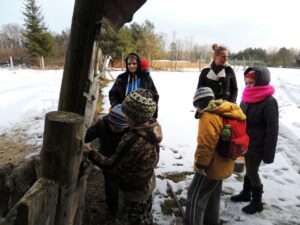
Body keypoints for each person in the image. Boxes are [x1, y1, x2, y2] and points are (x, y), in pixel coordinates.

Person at [83, 88, 162, 225]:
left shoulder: (133, 140)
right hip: (147, 181)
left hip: (135, 188)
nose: (124, 117)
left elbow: (112, 165)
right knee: (145, 213)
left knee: (136, 219)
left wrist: (90, 153)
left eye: (127, 114)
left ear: (137, 117)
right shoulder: (152, 128)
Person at [185, 87, 246, 225]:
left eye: (197, 107)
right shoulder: (225, 109)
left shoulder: (208, 116)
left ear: (200, 104)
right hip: (225, 162)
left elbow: (206, 144)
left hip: (211, 166)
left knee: (195, 198)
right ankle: (211, 221)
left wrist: (201, 165)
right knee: (213, 195)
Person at [230, 66, 279, 214]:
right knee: (249, 168)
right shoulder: (246, 97)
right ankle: (246, 193)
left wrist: (268, 153)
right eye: (246, 83)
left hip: (258, 144)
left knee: (252, 172)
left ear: (260, 82)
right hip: (245, 141)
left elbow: (272, 129)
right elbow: (240, 116)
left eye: (251, 83)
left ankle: (257, 202)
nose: (248, 86)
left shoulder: (269, 102)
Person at [84, 104, 129, 219]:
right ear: (109, 120)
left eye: (119, 128)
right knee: (110, 187)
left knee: (126, 186)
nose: (115, 129)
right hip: (107, 162)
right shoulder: (102, 125)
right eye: (113, 125)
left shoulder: (129, 131)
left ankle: (127, 205)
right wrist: (84, 137)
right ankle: (112, 210)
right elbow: (89, 135)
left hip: (124, 163)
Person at [109, 53, 159, 118]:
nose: (131, 66)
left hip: (141, 117)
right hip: (123, 116)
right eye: (129, 64)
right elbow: (112, 94)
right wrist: (118, 108)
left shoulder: (145, 77)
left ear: (138, 64)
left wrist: (152, 115)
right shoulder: (121, 78)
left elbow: (154, 96)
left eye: (134, 63)